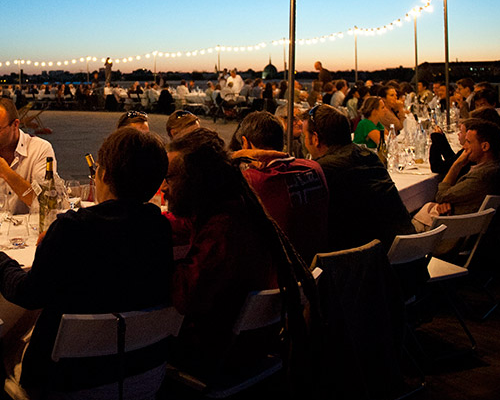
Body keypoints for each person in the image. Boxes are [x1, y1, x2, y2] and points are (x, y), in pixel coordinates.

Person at [0, 127, 173, 393]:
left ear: (104, 174)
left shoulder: (73, 228)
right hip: (137, 373)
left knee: (2, 345)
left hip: (64, 380)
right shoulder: (158, 228)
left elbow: (29, 294)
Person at [166, 128, 314, 384]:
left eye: (170, 177)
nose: (164, 187)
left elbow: (184, 296)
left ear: (196, 180)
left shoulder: (223, 232)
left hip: (215, 359)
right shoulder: (238, 206)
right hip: (252, 351)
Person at [302, 104, 415, 252]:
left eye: (305, 136)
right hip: (407, 254)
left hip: (373, 265)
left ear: (315, 139)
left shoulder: (322, 170)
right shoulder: (369, 156)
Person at [232, 112, 329, 263]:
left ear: (246, 143)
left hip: (279, 273)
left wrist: (234, 157)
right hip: (317, 267)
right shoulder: (314, 168)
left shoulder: (251, 181)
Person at [413, 118, 500, 231]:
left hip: (453, 233)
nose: (464, 147)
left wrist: (456, 165)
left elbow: (441, 195)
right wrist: (447, 200)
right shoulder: (496, 167)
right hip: (463, 224)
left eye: (469, 142)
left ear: (484, 146)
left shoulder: (483, 176)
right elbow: (450, 196)